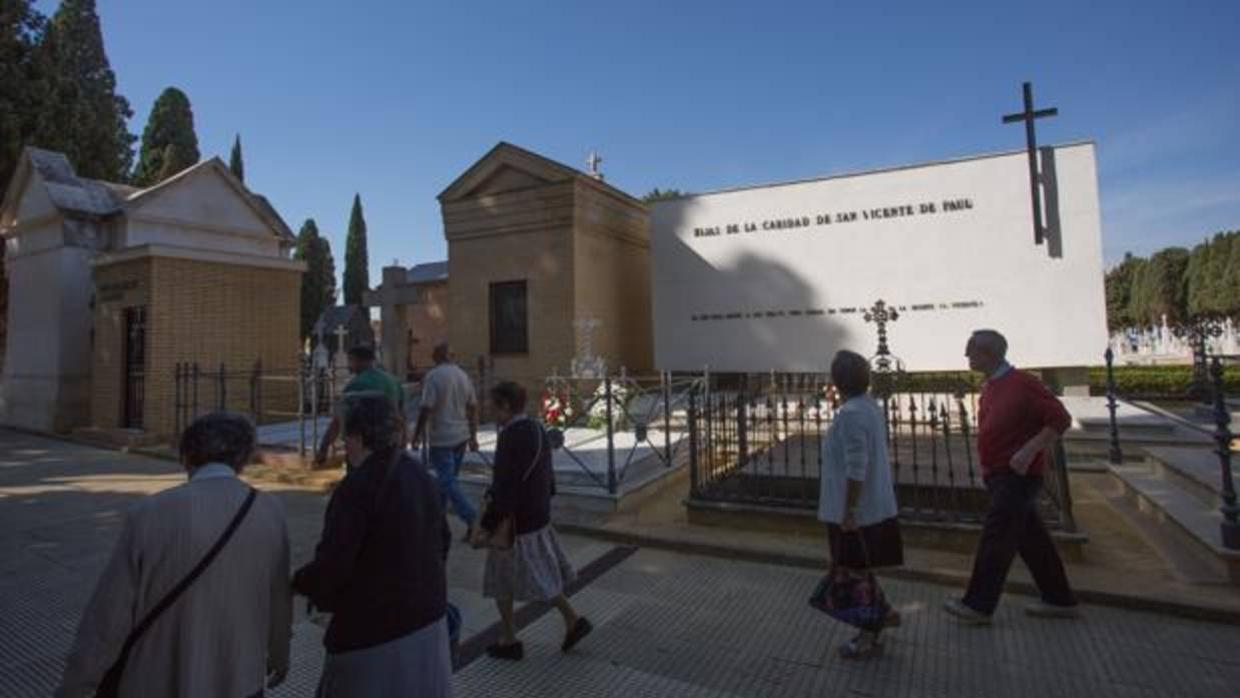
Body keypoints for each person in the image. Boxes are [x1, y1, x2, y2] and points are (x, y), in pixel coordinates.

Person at [58, 412, 291, 698]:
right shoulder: (271, 512)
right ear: (244, 459)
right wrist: (280, 654)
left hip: (156, 679)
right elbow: (279, 600)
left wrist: (76, 685)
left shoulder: (149, 514)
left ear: (186, 457)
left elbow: (108, 618)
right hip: (237, 679)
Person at [293, 395, 452, 697]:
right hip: (428, 620)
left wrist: (300, 583)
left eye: (346, 438)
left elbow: (335, 563)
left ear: (358, 437)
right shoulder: (421, 475)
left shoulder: (358, 486)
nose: (344, 446)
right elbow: (443, 541)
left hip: (372, 632)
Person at [943, 329, 1079, 624]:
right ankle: (1059, 598)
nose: (966, 354)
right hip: (1000, 475)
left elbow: (1060, 419)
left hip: (1017, 477)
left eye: (971, 348)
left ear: (989, 353)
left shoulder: (1023, 384)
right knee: (1032, 541)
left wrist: (1029, 450)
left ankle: (978, 605)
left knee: (996, 539)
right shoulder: (992, 386)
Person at [475, 381, 591, 661]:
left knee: (504, 579)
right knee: (542, 572)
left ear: (504, 406)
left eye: (492, 403)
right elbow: (547, 474)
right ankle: (571, 619)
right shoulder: (536, 428)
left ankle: (509, 638)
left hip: (515, 522)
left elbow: (505, 486)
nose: (487, 408)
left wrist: (487, 525)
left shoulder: (510, 436)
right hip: (536, 514)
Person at [817, 350, 903, 659]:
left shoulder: (852, 414)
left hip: (854, 513)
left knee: (852, 574)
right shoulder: (868, 407)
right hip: (864, 509)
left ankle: (869, 633)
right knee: (856, 571)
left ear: (837, 381)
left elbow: (857, 466)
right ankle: (885, 613)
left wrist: (850, 511)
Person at [412, 342, 480, 537]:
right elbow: (473, 407)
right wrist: (473, 436)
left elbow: (426, 408)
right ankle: (437, 525)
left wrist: (417, 435)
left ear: (437, 356)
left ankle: (472, 518)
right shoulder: (463, 376)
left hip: (442, 437)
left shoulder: (433, 376)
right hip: (461, 436)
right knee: (447, 483)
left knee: (447, 482)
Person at [314, 345, 405, 469]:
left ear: (357, 361)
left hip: (363, 447)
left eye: (350, 361)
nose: (349, 365)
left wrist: (323, 449)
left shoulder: (356, 384)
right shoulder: (393, 380)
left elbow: (338, 421)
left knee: (361, 484)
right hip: (391, 444)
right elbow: (401, 414)